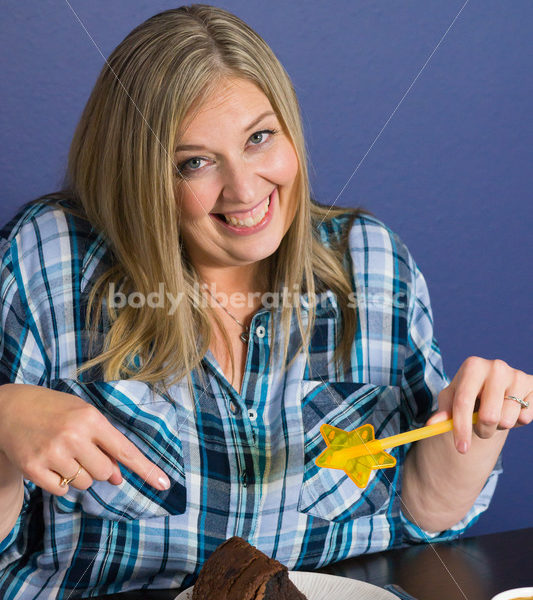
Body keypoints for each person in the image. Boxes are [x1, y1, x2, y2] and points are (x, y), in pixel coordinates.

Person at [0, 4, 531, 598]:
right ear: (137, 174)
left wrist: (479, 425)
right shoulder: (48, 257)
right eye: (194, 162)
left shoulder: (370, 260)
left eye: (259, 138)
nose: (246, 190)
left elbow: (425, 518)